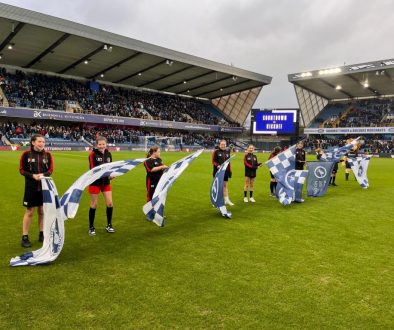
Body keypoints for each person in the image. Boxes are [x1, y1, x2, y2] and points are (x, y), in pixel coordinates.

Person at [19, 134, 54, 247]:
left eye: (43, 142)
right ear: (33, 142)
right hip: (31, 187)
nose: (42, 144)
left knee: (42, 211)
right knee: (29, 212)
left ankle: (42, 234)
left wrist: (42, 175)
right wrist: (32, 176)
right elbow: (21, 170)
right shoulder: (26, 154)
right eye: (39, 141)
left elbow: (51, 169)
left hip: (44, 187)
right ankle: (25, 237)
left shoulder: (48, 155)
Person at [88, 136, 115, 236]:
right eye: (100, 144)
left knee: (110, 204)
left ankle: (109, 225)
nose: (102, 146)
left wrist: (111, 175)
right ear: (96, 145)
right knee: (94, 204)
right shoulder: (92, 154)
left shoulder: (108, 154)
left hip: (106, 182)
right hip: (95, 182)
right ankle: (91, 227)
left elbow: (110, 167)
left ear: (106, 144)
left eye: (103, 144)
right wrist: (105, 174)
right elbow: (93, 169)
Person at [212, 140, 234, 206]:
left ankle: (227, 200)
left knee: (225, 186)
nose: (223, 145)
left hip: (225, 172)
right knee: (218, 187)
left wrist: (230, 171)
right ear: (219, 145)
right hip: (218, 172)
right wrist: (217, 165)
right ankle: (216, 201)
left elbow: (228, 162)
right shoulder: (216, 152)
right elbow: (213, 161)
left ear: (226, 145)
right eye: (222, 144)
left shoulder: (227, 152)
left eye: (224, 144)